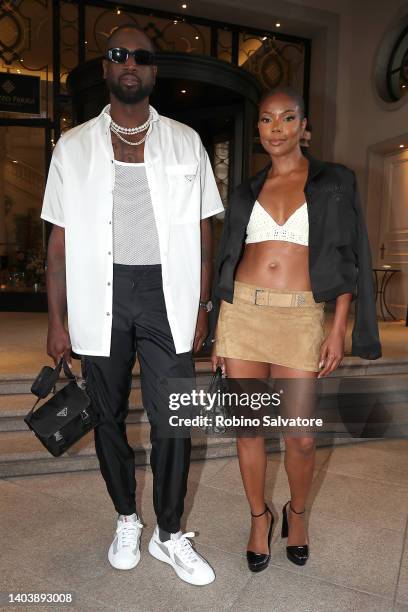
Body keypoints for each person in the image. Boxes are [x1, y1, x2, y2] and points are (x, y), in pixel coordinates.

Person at [41, 24, 224, 586]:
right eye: (119, 54)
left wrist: (201, 304)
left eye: (142, 57)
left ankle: (169, 533)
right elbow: (58, 242)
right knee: (109, 418)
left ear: (153, 71)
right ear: (106, 68)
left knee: (174, 417)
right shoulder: (72, 148)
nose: (130, 64)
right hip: (101, 294)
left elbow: (203, 231)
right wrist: (56, 319)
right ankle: (126, 516)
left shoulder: (185, 140)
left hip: (166, 292)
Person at [210, 86, 381, 573]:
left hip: (301, 315)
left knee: (301, 437)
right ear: (259, 128)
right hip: (243, 314)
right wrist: (222, 328)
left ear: (304, 127)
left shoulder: (335, 181)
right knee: (248, 430)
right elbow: (229, 259)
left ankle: (297, 514)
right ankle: (259, 518)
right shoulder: (246, 191)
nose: (277, 128)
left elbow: (348, 255)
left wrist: (338, 325)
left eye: (288, 118)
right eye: (267, 120)